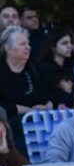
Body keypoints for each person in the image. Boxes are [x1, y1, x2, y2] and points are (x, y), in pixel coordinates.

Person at [0, 26, 53, 157]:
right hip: (12, 124)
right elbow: (3, 106)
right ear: (8, 49)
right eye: (22, 44)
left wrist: (47, 106)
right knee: (19, 123)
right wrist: (28, 111)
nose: (28, 47)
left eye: (28, 43)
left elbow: (52, 95)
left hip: (40, 122)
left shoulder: (35, 69)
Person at [36, 27, 74, 108]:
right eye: (64, 43)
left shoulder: (68, 68)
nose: (70, 46)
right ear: (53, 47)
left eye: (70, 42)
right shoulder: (44, 69)